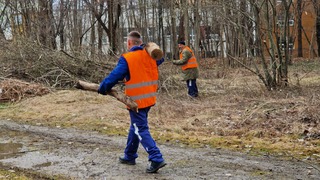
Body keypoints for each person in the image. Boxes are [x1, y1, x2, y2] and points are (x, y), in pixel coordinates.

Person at [98, 31, 166, 173]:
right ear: (140, 43)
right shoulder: (150, 55)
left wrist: (103, 87)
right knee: (135, 126)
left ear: (129, 43)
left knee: (140, 128)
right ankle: (129, 155)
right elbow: (160, 59)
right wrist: (150, 47)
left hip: (136, 101)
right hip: (149, 99)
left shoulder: (128, 58)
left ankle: (156, 158)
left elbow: (115, 75)